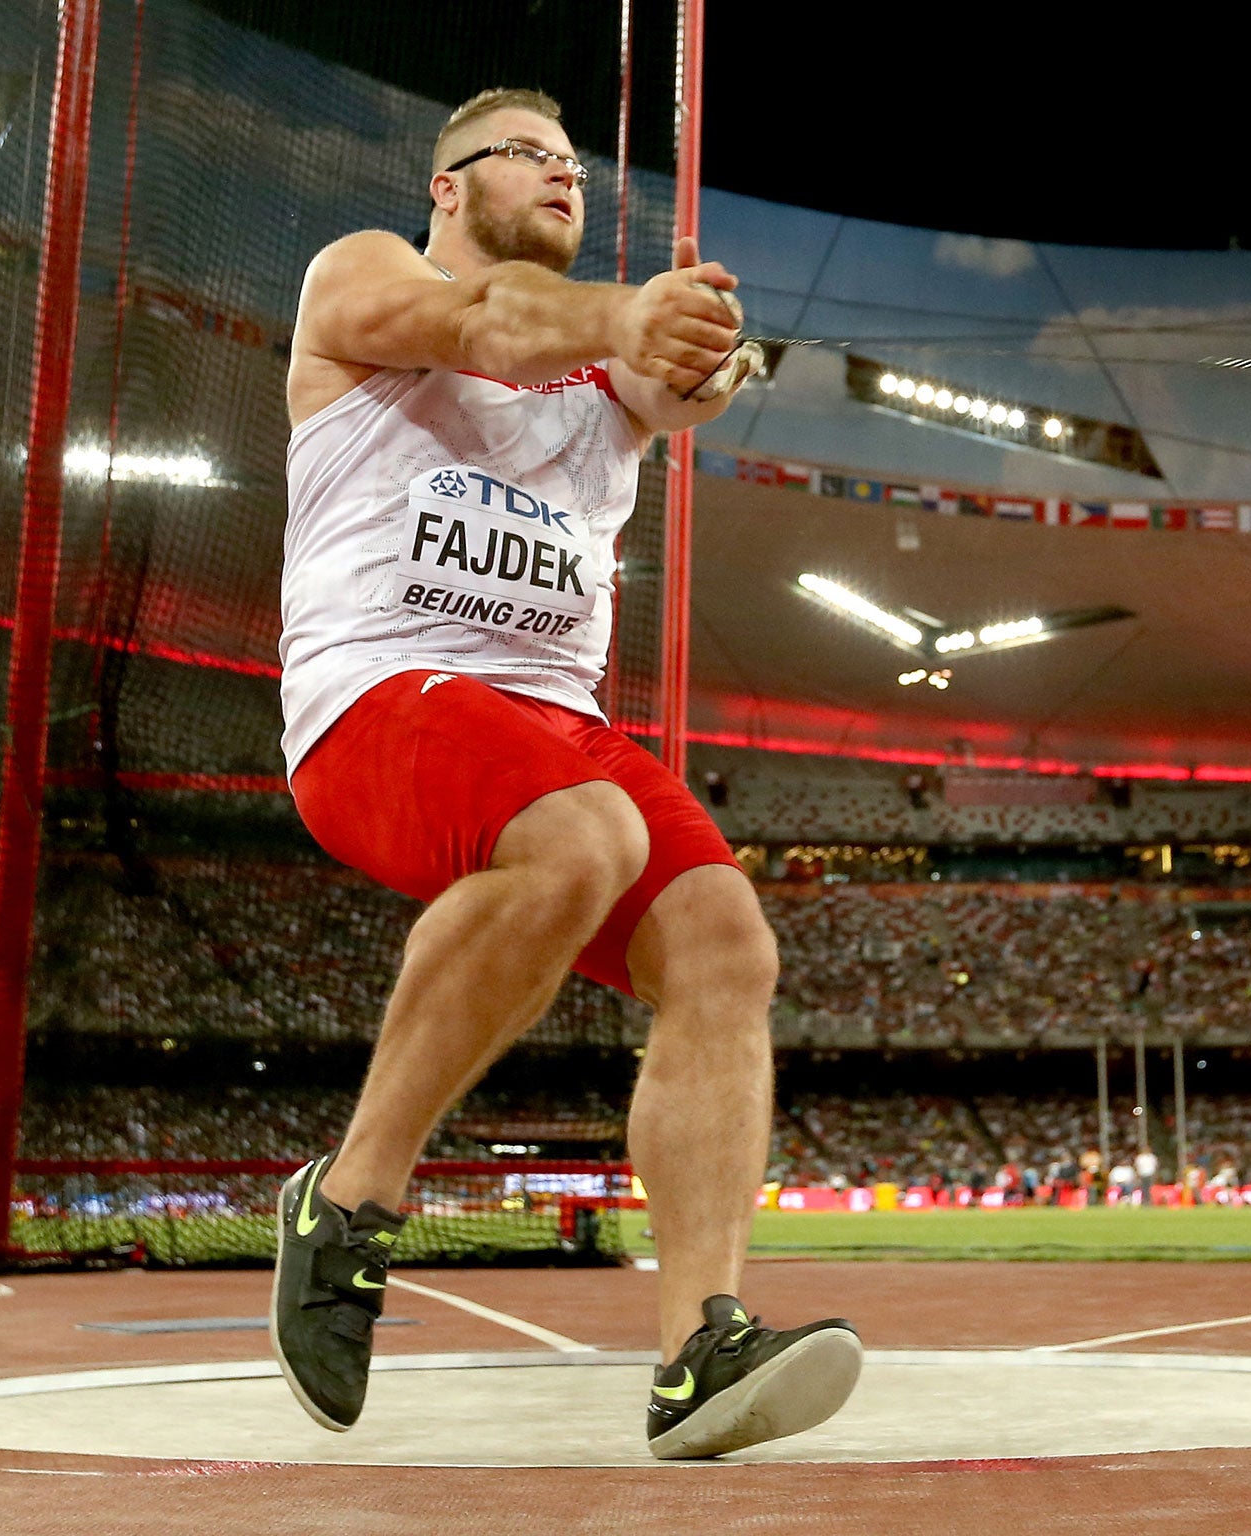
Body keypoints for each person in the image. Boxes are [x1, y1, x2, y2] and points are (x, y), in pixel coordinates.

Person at [267, 87, 858, 1461]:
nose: (561, 176)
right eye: (526, 156)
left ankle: (700, 1348)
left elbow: (681, 386)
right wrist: (623, 313)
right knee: (584, 835)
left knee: (724, 940)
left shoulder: (607, 375)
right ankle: (348, 1204)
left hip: (549, 720)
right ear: (447, 188)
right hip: (377, 694)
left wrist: (696, 346)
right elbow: (489, 327)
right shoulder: (365, 276)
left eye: (575, 165)